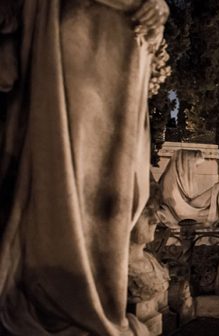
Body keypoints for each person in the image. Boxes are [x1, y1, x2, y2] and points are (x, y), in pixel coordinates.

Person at [0, 0, 169, 333]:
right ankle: (66, 296)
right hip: (74, 36)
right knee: (73, 184)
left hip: (125, 46)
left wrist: (157, 10)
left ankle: (98, 298)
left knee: (116, 197)